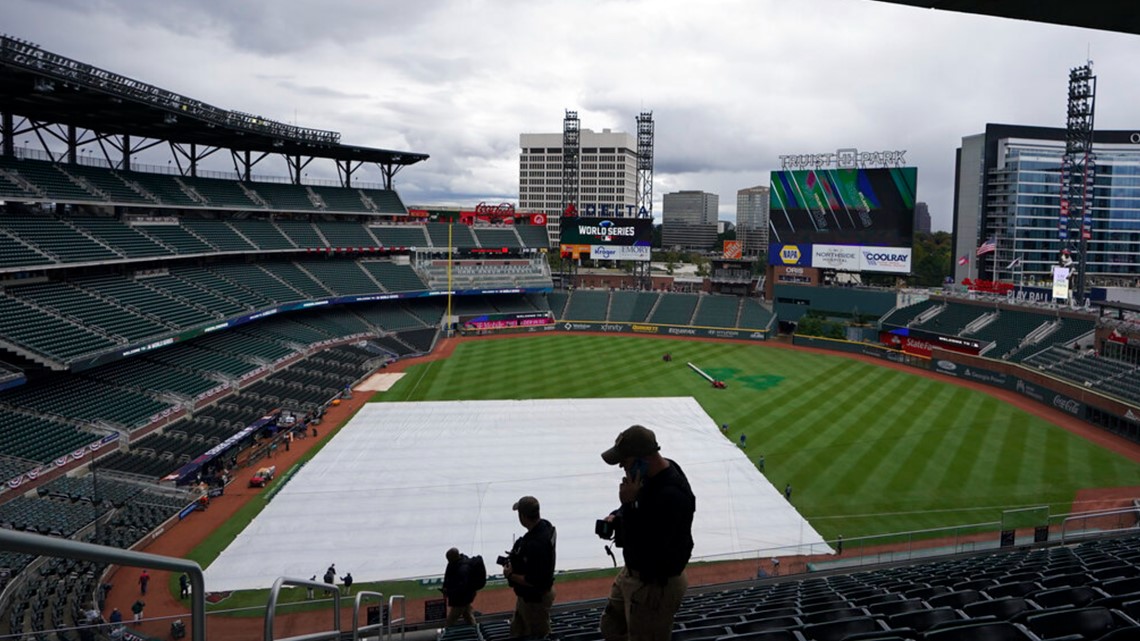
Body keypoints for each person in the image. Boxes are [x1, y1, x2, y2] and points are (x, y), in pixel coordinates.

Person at [599, 425, 695, 641]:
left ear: (644, 458)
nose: (621, 465)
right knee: (611, 627)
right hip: (633, 574)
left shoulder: (673, 494)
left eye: (625, 460)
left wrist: (629, 505)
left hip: (654, 586)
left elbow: (651, 546)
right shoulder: (649, 474)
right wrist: (619, 514)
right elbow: (642, 512)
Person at [503, 496, 557, 639]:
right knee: (517, 630)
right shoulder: (546, 526)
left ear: (523, 516)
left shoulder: (535, 544)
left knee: (538, 635)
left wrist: (510, 575)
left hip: (534, 600)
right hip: (534, 596)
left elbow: (534, 580)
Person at [442, 548, 479, 627]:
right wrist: (445, 586)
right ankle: (475, 630)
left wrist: (448, 592)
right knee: (468, 616)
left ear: (454, 557)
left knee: (450, 621)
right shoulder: (454, 562)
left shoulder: (463, 569)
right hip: (463, 598)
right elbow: (447, 575)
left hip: (461, 599)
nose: (448, 561)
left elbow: (461, 588)